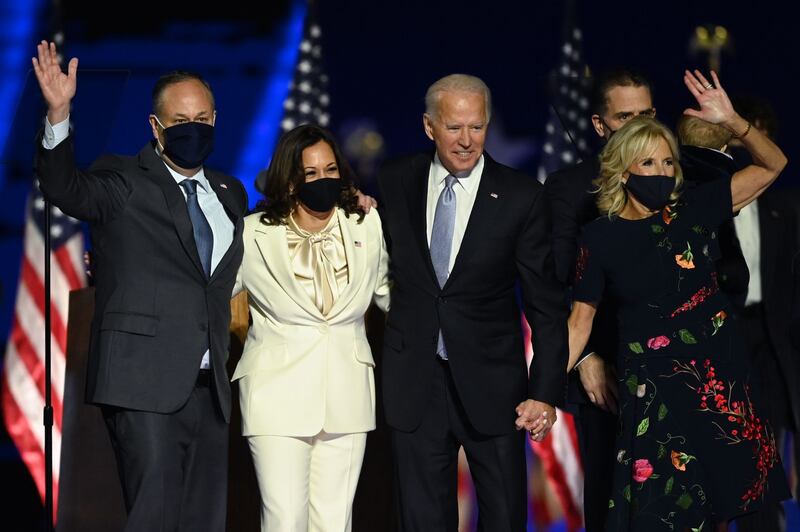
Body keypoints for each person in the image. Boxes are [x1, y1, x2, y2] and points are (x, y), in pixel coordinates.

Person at [32, 42, 248, 531]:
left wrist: (351, 203)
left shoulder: (229, 192)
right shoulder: (124, 178)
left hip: (210, 387)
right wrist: (59, 112)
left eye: (202, 118)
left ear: (214, 121)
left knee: (204, 520)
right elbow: (66, 188)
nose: (192, 129)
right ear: (156, 127)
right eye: (179, 121)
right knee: (153, 518)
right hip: (143, 383)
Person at [567, 69, 790, 531]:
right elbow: (578, 324)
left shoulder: (695, 208)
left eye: (669, 163)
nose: (662, 173)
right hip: (653, 396)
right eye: (649, 164)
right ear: (623, 168)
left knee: (730, 509)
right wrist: (540, 396)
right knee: (660, 515)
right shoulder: (600, 237)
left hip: (717, 385)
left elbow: (773, 165)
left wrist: (735, 123)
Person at [376, 73, 568, 531]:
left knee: (503, 518)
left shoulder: (522, 196)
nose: (467, 141)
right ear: (429, 126)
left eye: (477, 127)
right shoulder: (394, 180)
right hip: (415, 386)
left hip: (494, 388)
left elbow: (546, 306)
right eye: (455, 127)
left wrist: (543, 393)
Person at [231, 124, 390, 532]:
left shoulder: (365, 224)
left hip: (347, 393)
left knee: (335, 520)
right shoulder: (252, 234)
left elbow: (390, 295)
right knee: (285, 518)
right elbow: (210, 295)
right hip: (275, 395)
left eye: (331, 169)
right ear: (289, 179)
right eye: (311, 173)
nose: (324, 180)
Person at [544, 67, 655, 531]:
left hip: (675, 375)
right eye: (624, 116)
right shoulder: (570, 189)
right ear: (598, 124)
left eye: (646, 114)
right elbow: (551, 284)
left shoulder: (678, 181)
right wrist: (585, 355)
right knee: (610, 510)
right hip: (604, 378)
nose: (636, 127)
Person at [680, 111, 800, 532]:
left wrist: (734, 121)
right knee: (704, 473)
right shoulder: (687, 200)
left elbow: (775, 164)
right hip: (696, 352)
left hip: (762, 341)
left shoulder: (776, 205)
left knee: (757, 462)